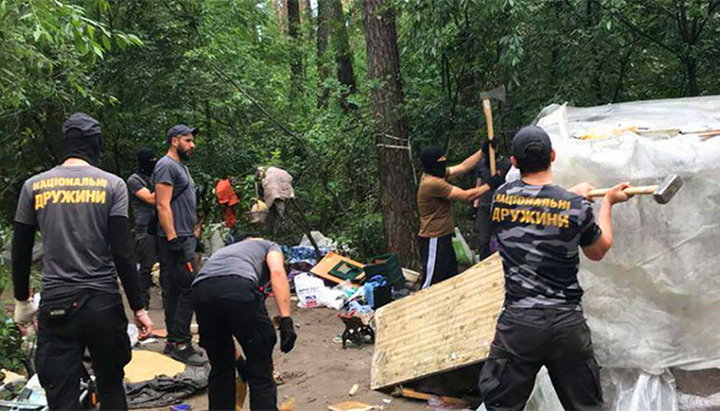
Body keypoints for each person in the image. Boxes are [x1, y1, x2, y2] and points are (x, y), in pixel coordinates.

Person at [478, 125, 630, 410]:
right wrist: (608, 203)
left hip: (518, 325)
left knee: (501, 406)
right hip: (566, 325)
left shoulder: (499, 199)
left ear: (514, 162)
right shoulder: (574, 207)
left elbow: (537, 204)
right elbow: (599, 249)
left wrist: (572, 196)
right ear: (553, 156)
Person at [11, 112, 153, 410]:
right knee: (112, 385)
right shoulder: (112, 186)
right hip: (102, 303)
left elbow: (21, 249)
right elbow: (123, 253)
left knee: (60, 396)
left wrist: (23, 302)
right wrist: (139, 307)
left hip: (57, 304)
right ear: (95, 144)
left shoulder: (33, 186)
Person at [191, 235, 297, 410]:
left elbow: (224, 316)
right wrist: (286, 319)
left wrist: (238, 361)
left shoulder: (224, 252)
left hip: (201, 291)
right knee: (260, 368)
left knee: (220, 368)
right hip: (239, 287)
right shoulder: (269, 245)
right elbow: (278, 272)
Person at [153, 124, 206, 365]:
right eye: (187, 140)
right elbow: (162, 204)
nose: (192, 145)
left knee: (175, 290)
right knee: (189, 288)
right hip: (175, 239)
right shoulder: (166, 165)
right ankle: (182, 343)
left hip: (184, 236)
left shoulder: (180, 166)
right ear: (174, 141)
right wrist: (173, 238)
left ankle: (174, 342)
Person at [417, 143, 504, 289]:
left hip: (444, 236)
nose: (444, 164)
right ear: (433, 164)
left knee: (450, 277)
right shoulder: (432, 183)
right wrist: (489, 184)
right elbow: (467, 196)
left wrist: (482, 152)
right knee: (430, 283)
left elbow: (463, 166)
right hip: (433, 238)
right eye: (441, 161)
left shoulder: (435, 173)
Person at [127, 147, 158, 309]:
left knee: (165, 265)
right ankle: (142, 303)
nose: (153, 164)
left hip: (160, 226)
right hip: (144, 228)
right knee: (146, 267)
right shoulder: (134, 180)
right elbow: (150, 198)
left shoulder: (155, 176)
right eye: (150, 161)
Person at [471, 144, 512, 261]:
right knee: (483, 240)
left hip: (502, 205)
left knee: (502, 239)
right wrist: (475, 205)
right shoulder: (481, 164)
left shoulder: (506, 164)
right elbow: (478, 185)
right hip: (484, 205)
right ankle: (483, 264)